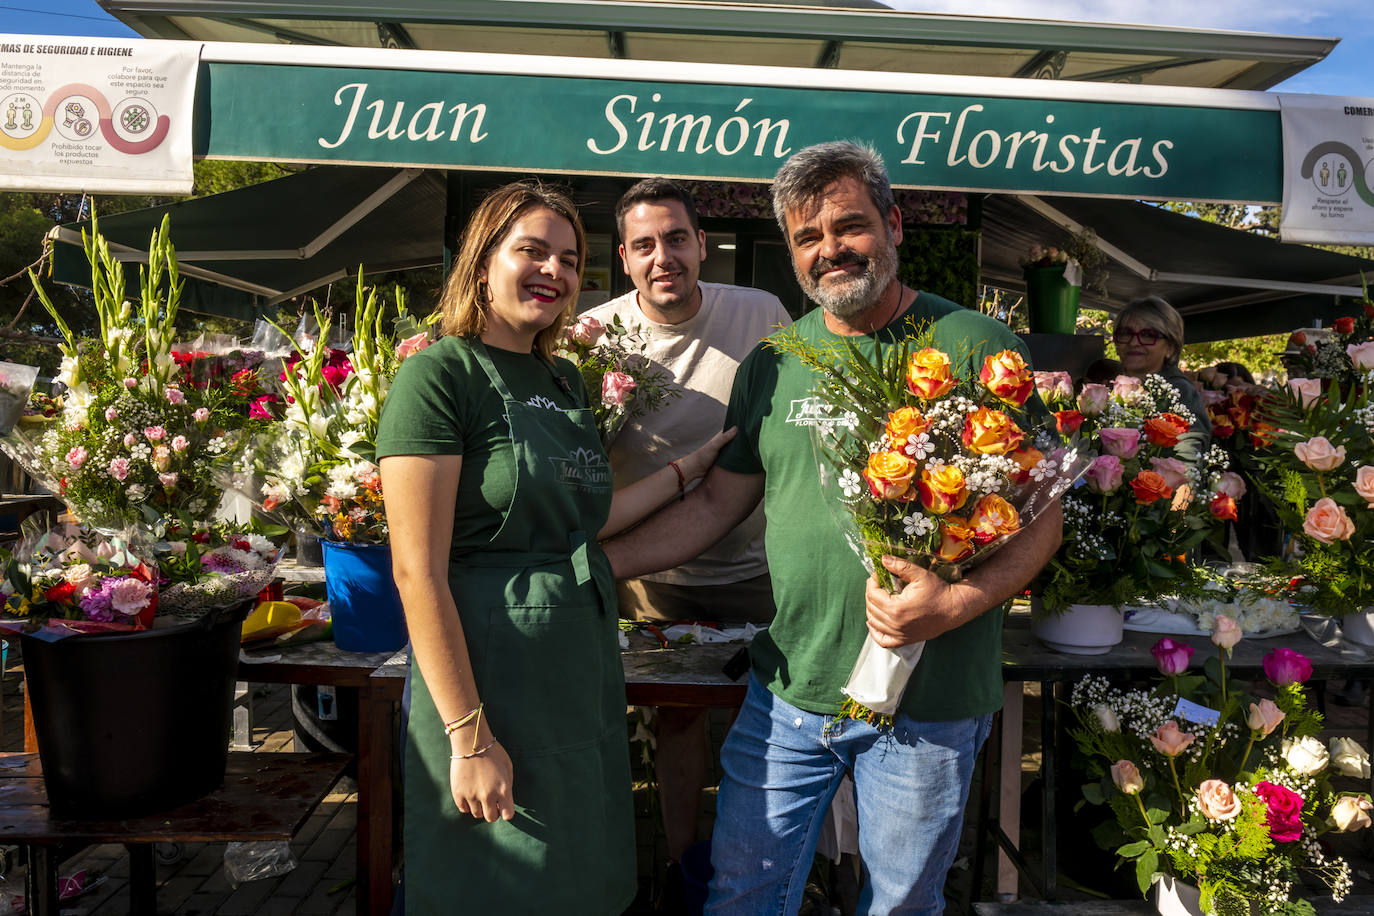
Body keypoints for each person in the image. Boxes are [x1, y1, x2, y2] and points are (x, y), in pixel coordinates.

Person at [602, 141, 1063, 914]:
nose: (830, 251)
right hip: (791, 692)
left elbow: (1043, 519)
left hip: (930, 703)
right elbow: (717, 506)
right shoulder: (775, 362)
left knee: (899, 905)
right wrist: (589, 562)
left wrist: (952, 606)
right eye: (807, 238)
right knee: (742, 893)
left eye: (848, 227)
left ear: (893, 223)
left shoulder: (977, 346)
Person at [376, 181, 733, 914]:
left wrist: (689, 471)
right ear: (483, 264)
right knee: (502, 880)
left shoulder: (562, 376)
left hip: (577, 663)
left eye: (569, 260)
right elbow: (417, 572)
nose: (554, 272)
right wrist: (470, 739)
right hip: (489, 669)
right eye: (531, 251)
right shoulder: (440, 375)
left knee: (582, 875)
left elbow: (581, 518)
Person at [581, 179, 792, 882]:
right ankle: (679, 863)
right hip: (654, 578)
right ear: (625, 257)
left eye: (676, 238)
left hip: (757, 566)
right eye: (644, 244)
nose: (662, 256)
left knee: (768, 720)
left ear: (704, 246)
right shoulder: (595, 338)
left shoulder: (761, 314)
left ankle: (754, 866)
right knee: (675, 717)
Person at [1112, 296, 1212, 437]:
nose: (1134, 342)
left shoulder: (1181, 394)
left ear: (1170, 347)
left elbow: (1189, 452)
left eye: (1148, 335)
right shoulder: (1105, 388)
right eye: (1125, 333)